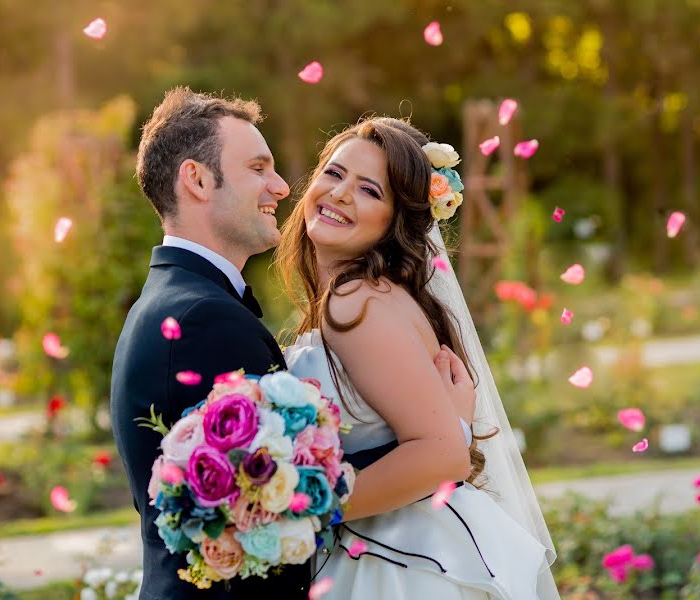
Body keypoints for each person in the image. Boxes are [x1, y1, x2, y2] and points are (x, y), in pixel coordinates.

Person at [111, 87, 473, 599]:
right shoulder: (203, 317)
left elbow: (274, 483)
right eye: (259, 168)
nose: (282, 187)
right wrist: (450, 429)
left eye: (371, 190)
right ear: (196, 179)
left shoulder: (194, 305)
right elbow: (254, 497)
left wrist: (445, 440)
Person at [277, 116, 559, 599]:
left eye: (370, 191)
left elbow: (441, 452)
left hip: (399, 566)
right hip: (416, 541)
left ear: (395, 222)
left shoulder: (356, 301)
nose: (341, 194)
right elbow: (446, 438)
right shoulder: (376, 296)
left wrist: (299, 511)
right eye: (334, 173)